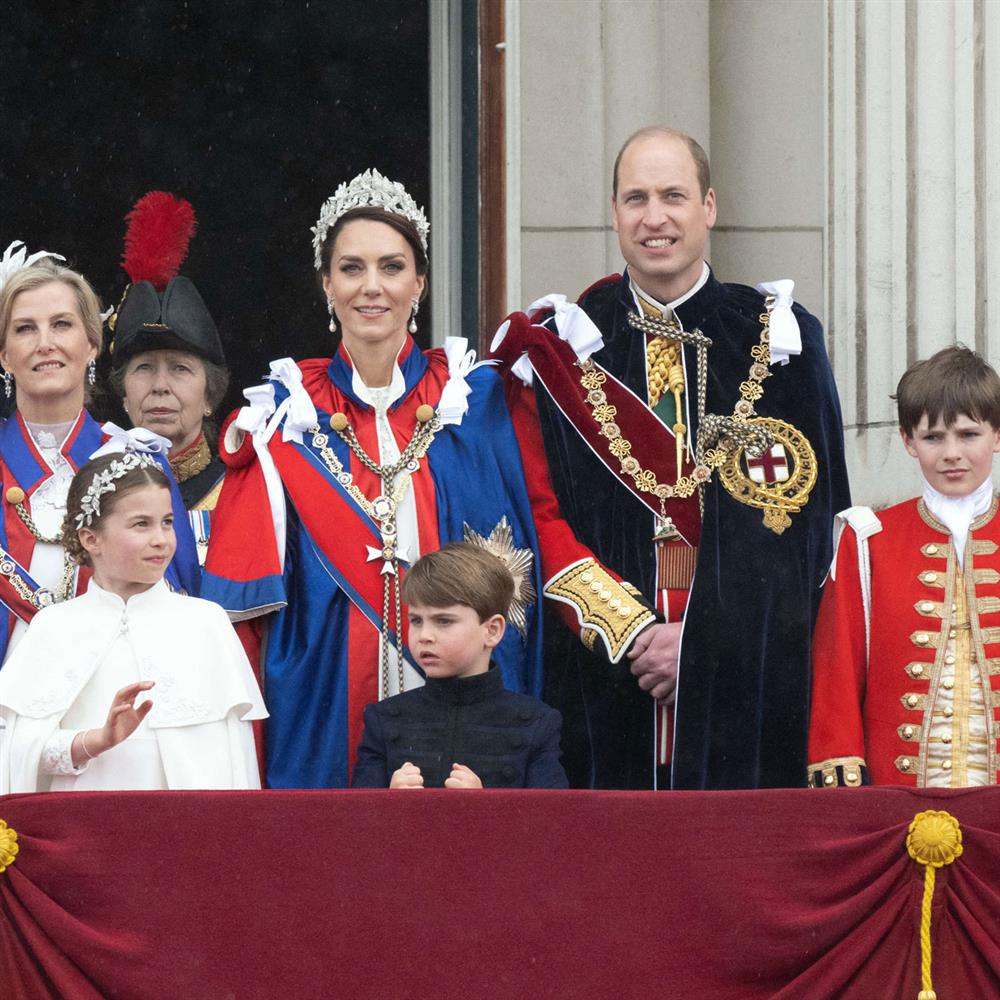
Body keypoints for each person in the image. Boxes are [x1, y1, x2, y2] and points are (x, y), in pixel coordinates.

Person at [490, 126, 851, 789]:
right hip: (605, 681)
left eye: (674, 196)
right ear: (614, 212)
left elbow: (805, 529)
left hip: (748, 680)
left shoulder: (781, 338)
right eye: (636, 198)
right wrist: (633, 634)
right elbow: (538, 518)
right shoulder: (563, 348)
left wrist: (704, 639)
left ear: (708, 206)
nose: (654, 217)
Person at [203, 170, 543, 789]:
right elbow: (241, 616)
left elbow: (521, 557)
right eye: (351, 268)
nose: (372, 287)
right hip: (325, 692)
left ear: (420, 282)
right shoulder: (285, 416)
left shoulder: (474, 399)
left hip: (463, 697)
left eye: (391, 266)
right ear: (326, 285)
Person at [0, 452, 266, 792]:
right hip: (82, 829)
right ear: (90, 538)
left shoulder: (206, 623)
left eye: (167, 522)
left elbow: (235, 765)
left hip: (183, 833)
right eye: (142, 524)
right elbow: (16, 758)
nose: (161, 539)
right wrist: (94, 740)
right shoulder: (53, 627)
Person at [809, 346, 1000, 788]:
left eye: (968, 434)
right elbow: (837, 669)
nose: (951, 453)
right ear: (908, 442)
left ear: (996, 435)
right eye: (934, 438)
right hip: (901, 800)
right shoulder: (868, 538)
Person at [0, 247, 199, 665]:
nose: (45, 343)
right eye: (24, 329)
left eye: (61, 324)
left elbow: (178, 610)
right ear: (4, 356)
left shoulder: (137, 459)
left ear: (92, 344)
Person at [352, 543, 567, 789]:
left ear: (492, 630)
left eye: (444, 621)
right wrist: (387, 802)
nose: (424, 635)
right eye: (416, 620)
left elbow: (552, 822)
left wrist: (484, 808)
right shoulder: (383, 719)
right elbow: (357, 823)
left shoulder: (536, 723)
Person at [106, 192, 230, 563]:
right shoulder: (97, 490)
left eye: (180, 368)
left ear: (210, 396)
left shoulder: (244, 491)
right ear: (124, 394)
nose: (160, 385)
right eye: (144, 368)